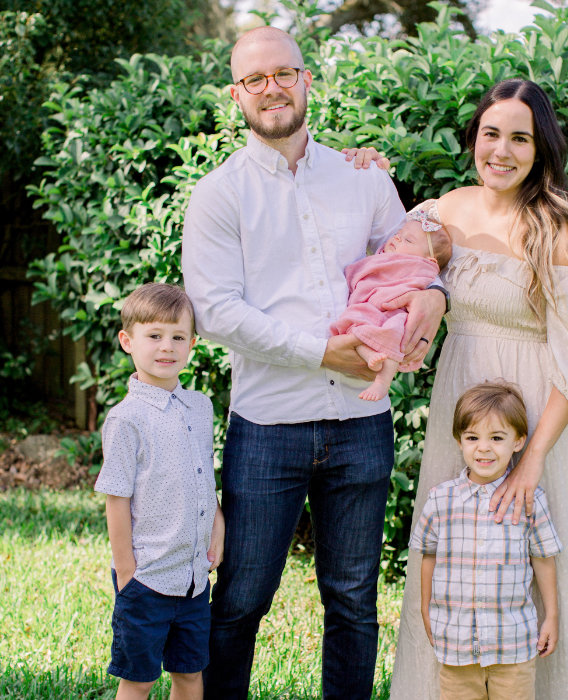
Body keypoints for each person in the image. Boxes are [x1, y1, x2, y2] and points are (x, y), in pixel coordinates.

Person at [180, 26, 447, 699]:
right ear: (236, 94)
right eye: (255, 79)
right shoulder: (219, 195)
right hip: (268, 427)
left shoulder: (363, 177)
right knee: (242, 597)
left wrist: (434, 300)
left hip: (362, 425)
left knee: (354, 600)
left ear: (306, 80)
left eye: (284, 73)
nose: (272, 88)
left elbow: (409, 261)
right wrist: (321, 351)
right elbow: (215, 310)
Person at [387, 79, 568, 699]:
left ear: (540, 148)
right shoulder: (442, 211)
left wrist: (533, 462)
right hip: (463, 409)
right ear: (474, 137)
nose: (501, 150)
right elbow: (384, 263)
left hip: (540, 417)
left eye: (519, 138)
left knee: (544, 557)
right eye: (491, 133)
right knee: (457, 559)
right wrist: (367, 168)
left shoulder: (557, 227)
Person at [94, 282, 224, 700]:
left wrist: (217, 525)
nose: (167, 347)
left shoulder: (200, 408)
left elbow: (205, 474)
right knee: (140, 680)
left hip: (192, 581)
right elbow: (117, 498)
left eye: (178, 337)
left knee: (190, 675)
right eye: (154, 335)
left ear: (192, 344)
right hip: (147, 579)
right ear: (127, 341)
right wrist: (127, 571)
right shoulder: (126, 418)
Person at [411, 381, 561, 700]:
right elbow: (428, 554)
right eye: (472, 437)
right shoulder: (441, 500)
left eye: (496, 437)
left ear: (519, 441)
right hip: (456, 646)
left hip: (513, 646)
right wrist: (425, 608)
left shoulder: (529, 500)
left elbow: (543, 557)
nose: (483, 448)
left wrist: (552, 615)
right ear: (459, 440)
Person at [330, 209, 452, 401]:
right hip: (368, 307)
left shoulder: (421, 268)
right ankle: (369, 355)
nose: (397, 238)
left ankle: (383, 381)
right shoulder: (381, 256)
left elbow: (428, 284)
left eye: (408, 241)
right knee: (353, 325)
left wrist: (438, 295)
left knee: (396, 331)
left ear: (428, 261)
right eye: (398, 234)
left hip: (394, 311)